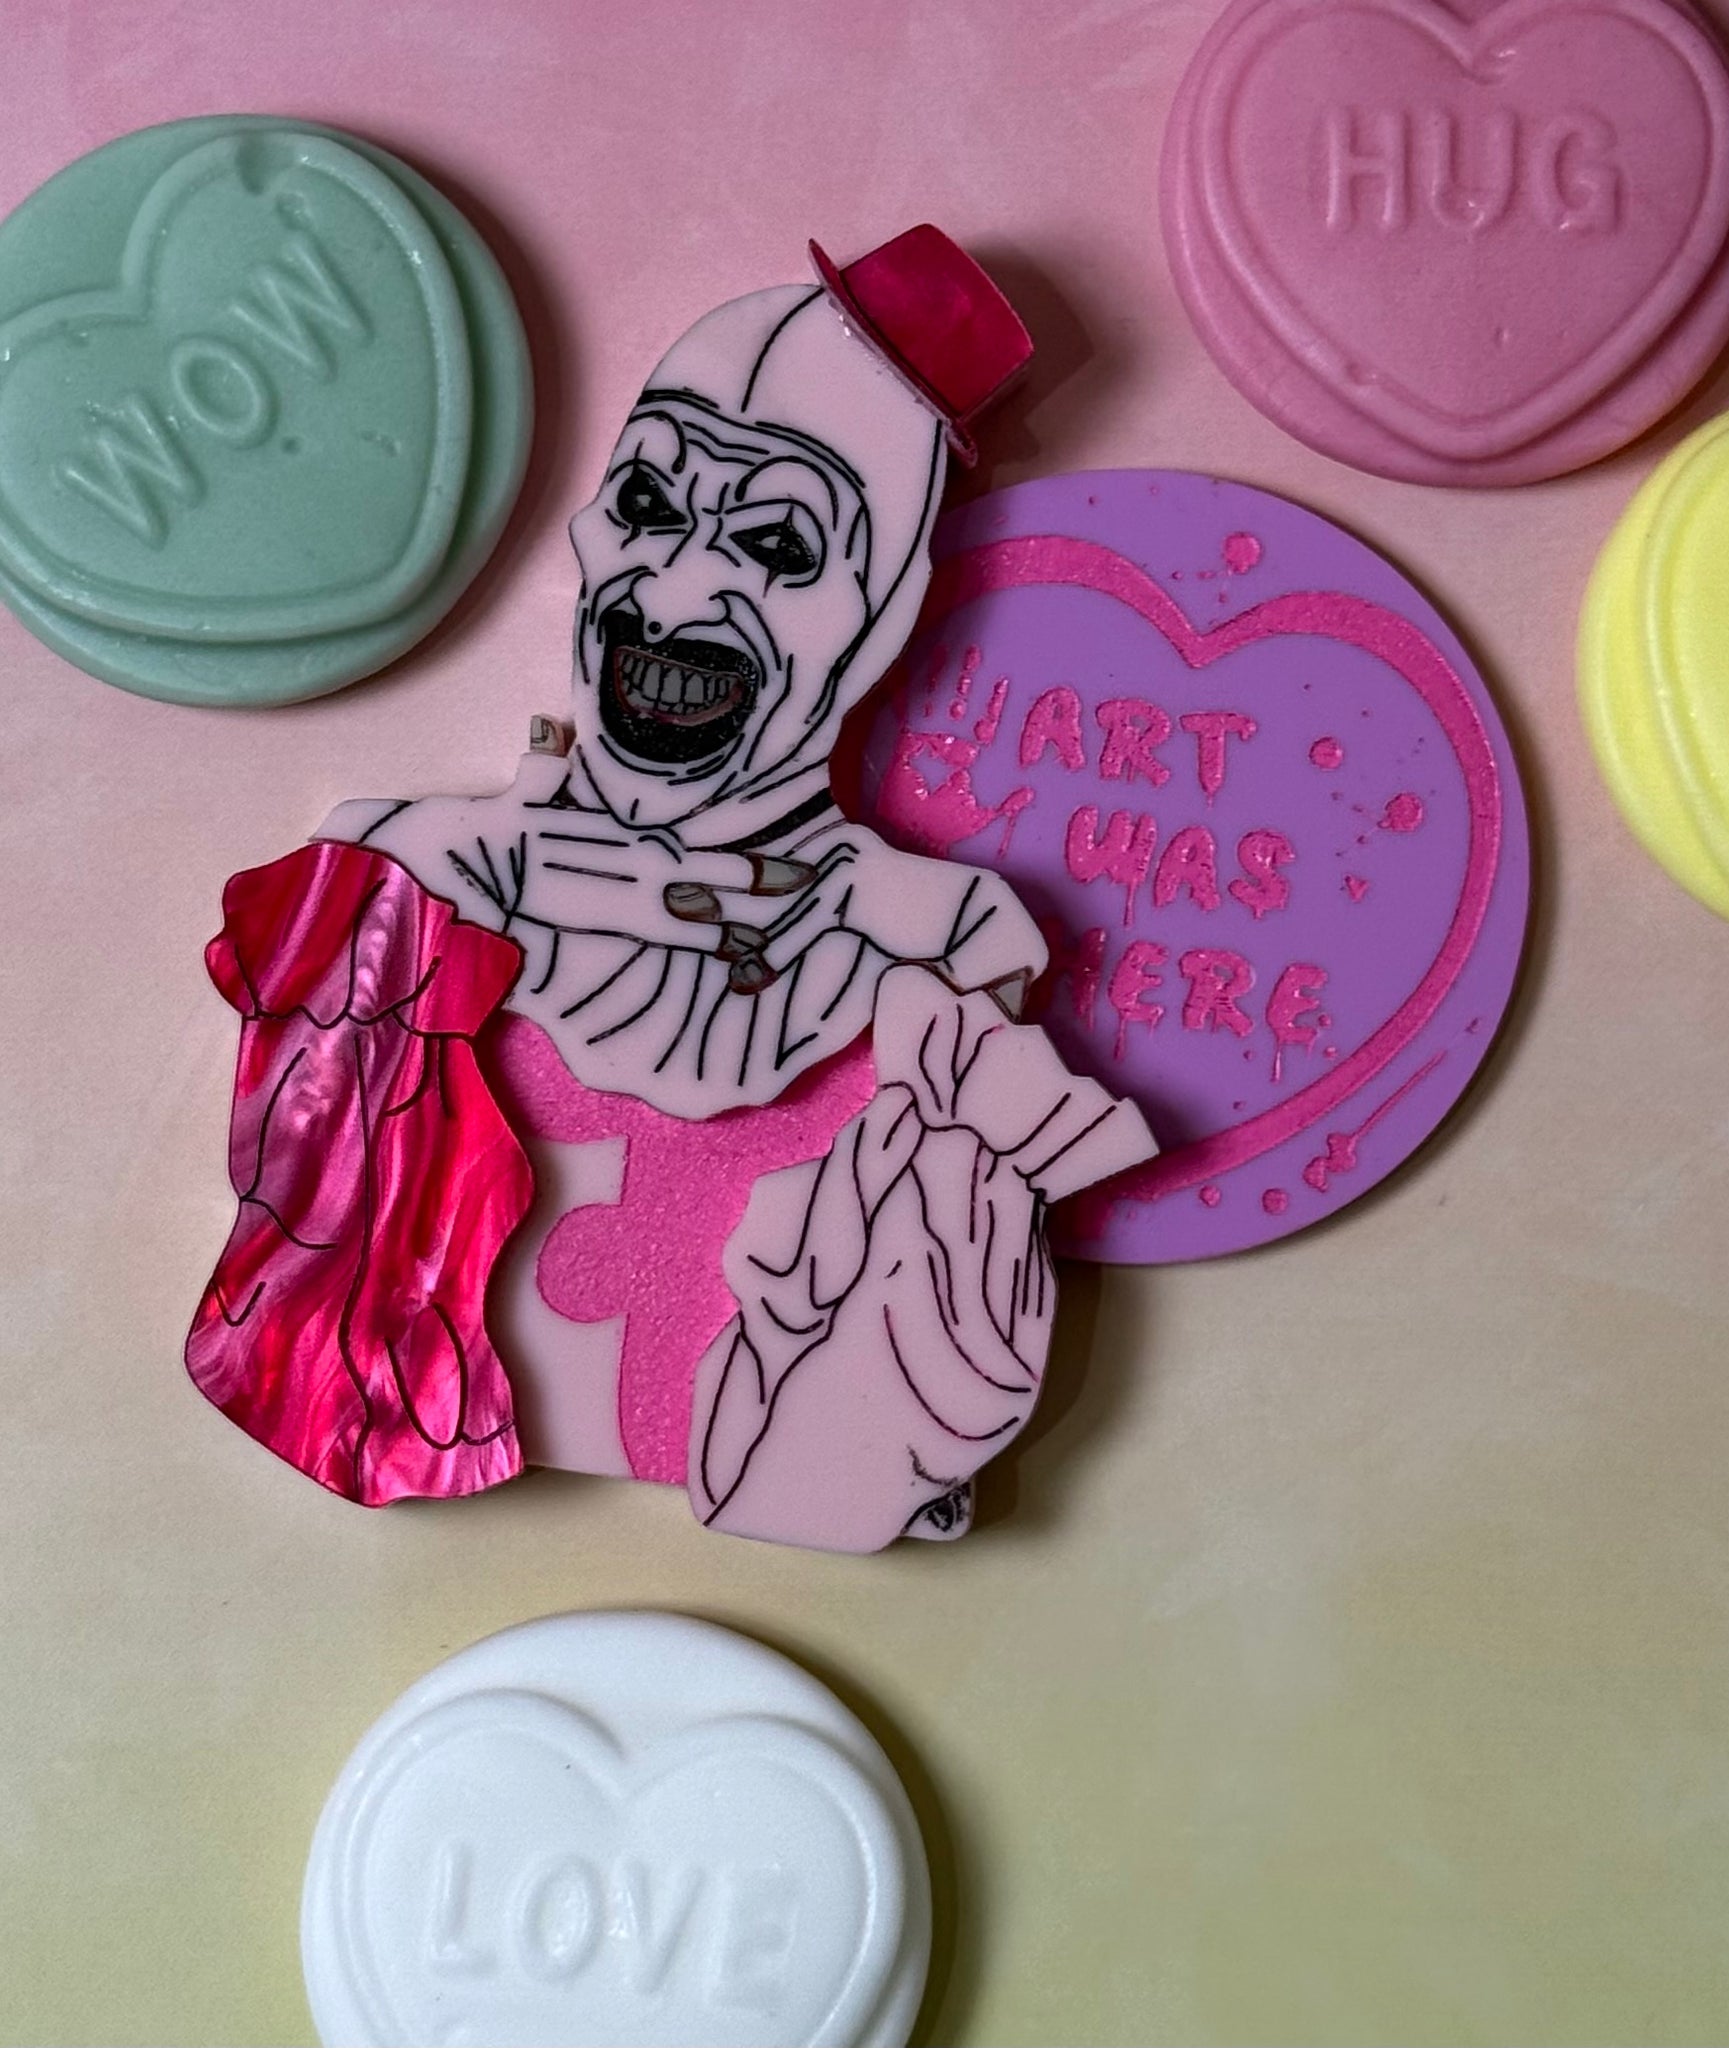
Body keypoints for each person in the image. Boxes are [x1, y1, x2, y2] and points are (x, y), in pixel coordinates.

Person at [191, 232, 1153, 1549]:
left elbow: (903, 1405)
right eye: (649, 505)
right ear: (590, 532)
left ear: (879, 617)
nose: (680, 588)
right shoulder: (398, 882)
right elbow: (299, 1301)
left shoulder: (941, 952)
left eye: (777, 544)